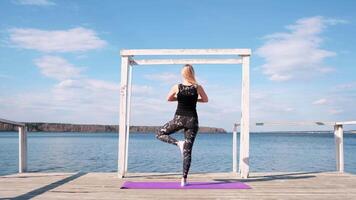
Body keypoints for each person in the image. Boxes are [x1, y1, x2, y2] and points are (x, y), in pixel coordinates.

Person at [155, 64, 208, 187]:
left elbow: (169, 98)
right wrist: (195, 100)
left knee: (159, 133)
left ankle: (178, 143)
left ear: (183, 74)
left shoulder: (177, 87)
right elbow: (205, 100)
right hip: (192, 121)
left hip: (179, 119)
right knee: (188, 152)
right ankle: (183, 180)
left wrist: (179, 98)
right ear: (192, 73)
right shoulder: (198, 87)